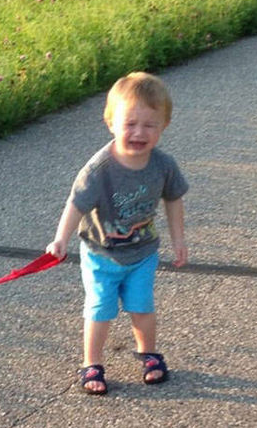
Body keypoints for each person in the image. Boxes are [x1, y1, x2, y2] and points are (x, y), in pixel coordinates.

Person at [46, 71, 188, 395]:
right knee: (99, 308)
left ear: (164, 126)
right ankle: (91, 363)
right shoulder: (99, 169)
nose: (139, 132)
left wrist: (179, 240)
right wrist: (60, 239)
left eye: (150, 125)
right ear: (111, 122)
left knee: (142, 306)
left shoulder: (163, 165)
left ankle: (149, 354)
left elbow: (174, 199)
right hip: (101, 254)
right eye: (130, 123)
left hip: (142, 254)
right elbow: (76, 204)